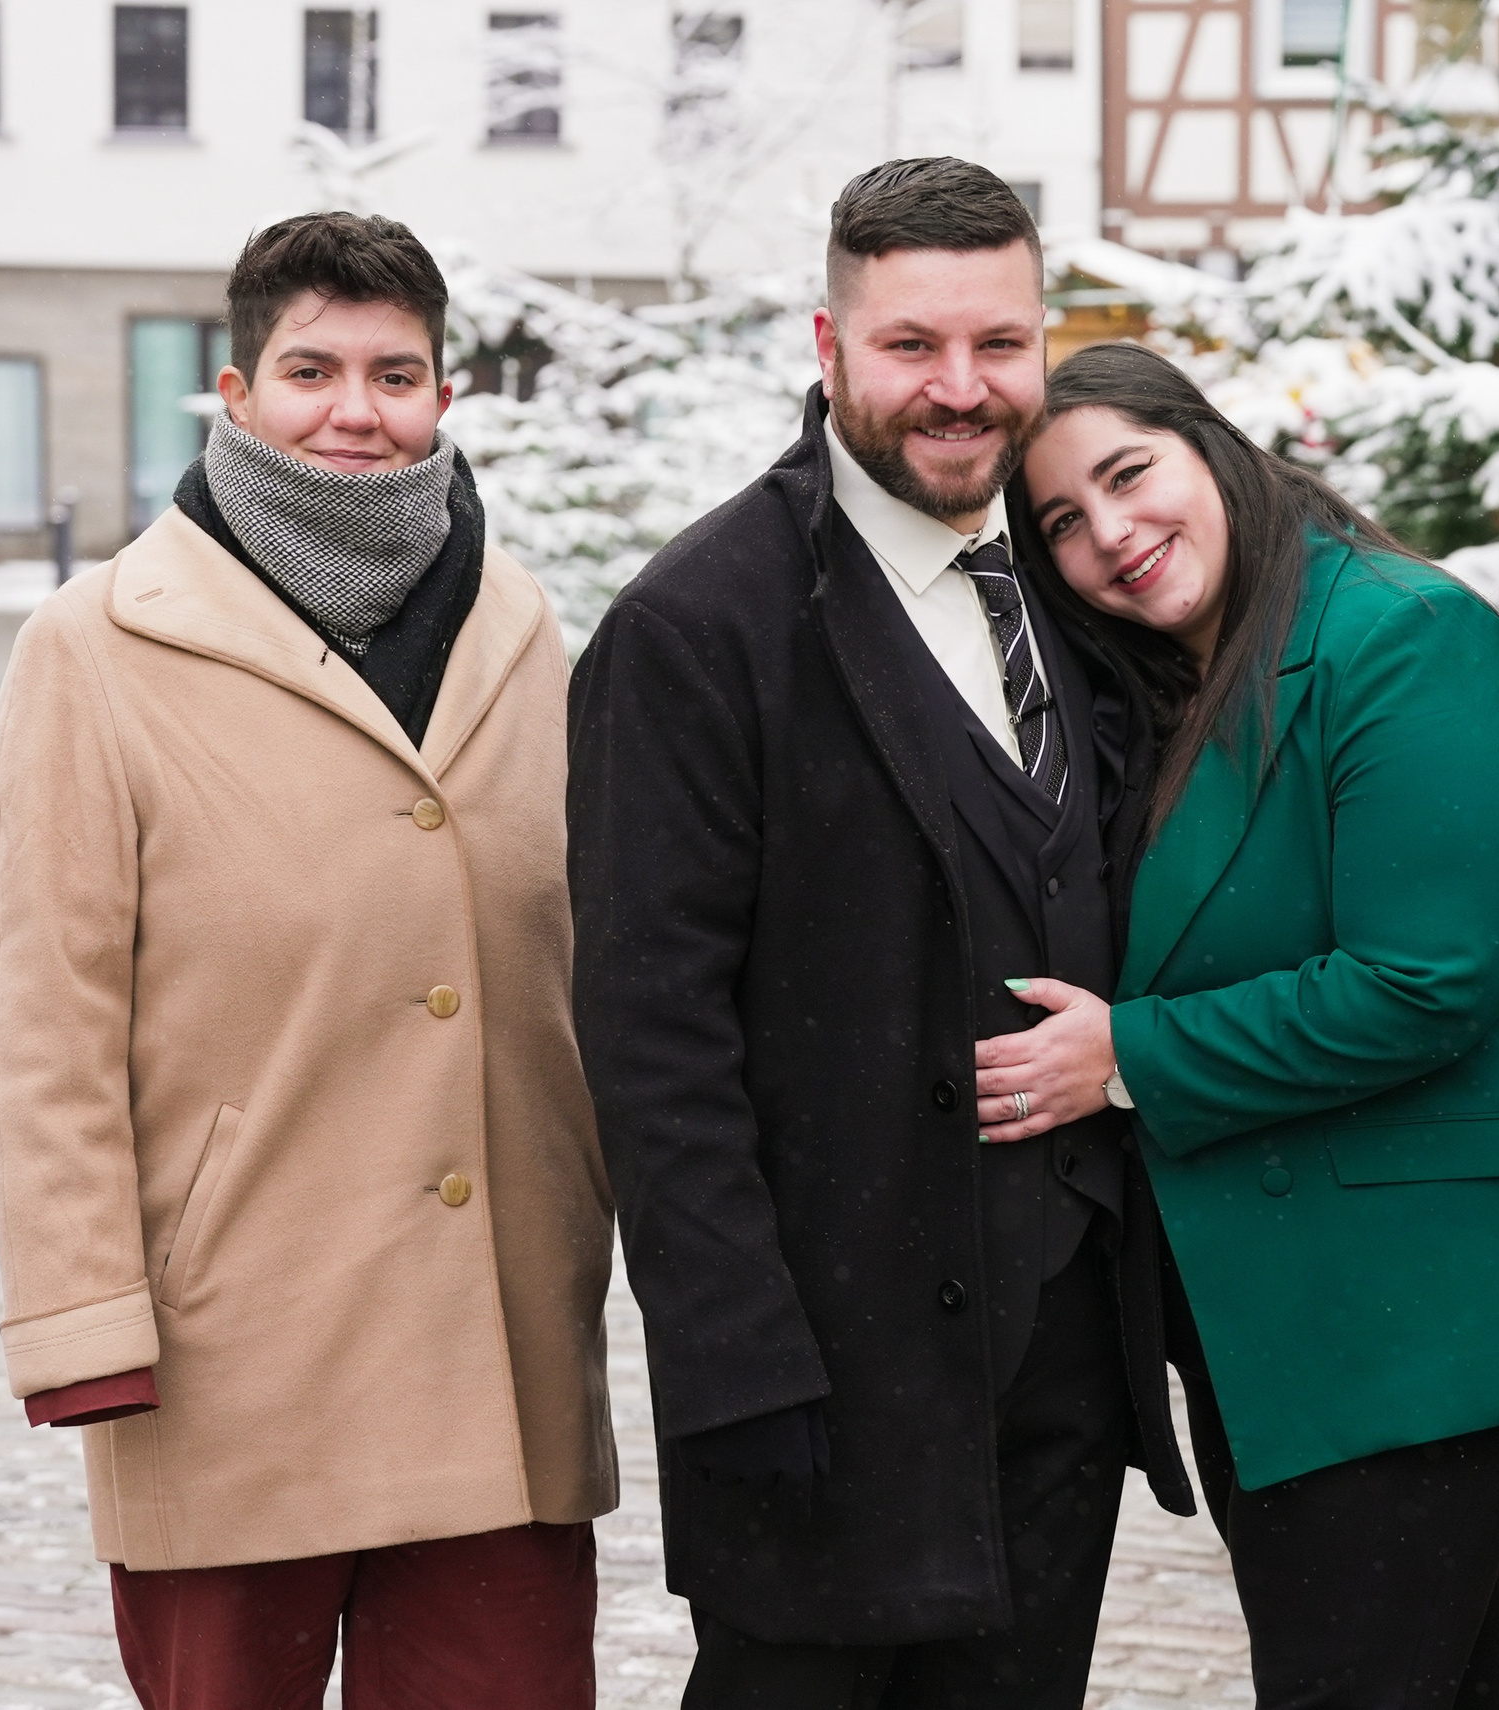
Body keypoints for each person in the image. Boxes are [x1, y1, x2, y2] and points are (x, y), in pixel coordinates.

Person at [568, 159, 1195, 1708]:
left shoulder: (1078, 592)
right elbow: (654, 1037)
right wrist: (736, 1368)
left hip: (1057, 1364)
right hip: (827, 1369)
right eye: (913, 344)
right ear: (829, 344)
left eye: (999, 343)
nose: (962, 388)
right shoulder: (696, 628)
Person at [0, 212, 616, 1709]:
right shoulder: (93, 647)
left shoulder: (525, 630)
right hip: (229, 1357)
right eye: (313, 367)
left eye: (396, 373)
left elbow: (594, 958)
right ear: (237, 390)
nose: (356, 409)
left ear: (446, 400)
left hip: (500, 1349)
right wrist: (79, 1325)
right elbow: (45, 1020)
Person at [989, 341, 1499, 1709]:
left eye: (1128, 473)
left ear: (1210, 446)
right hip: (1304, 1308)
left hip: (1426, 1296)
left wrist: (1129, 1057)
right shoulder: (1190, 678)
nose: (1110, 532)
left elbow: (1425, 978)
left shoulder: (1398, 636)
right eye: (1061, 519)